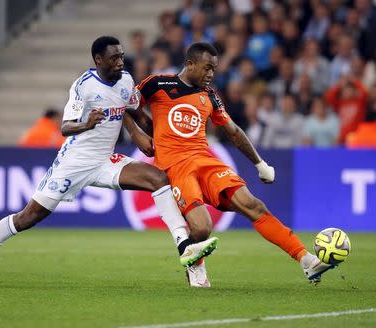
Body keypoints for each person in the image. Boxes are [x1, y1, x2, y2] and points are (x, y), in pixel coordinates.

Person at [0, 36, 218, 285]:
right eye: (114, 58)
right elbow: (65, 128)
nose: (120, 62)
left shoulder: (125, 80)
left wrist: (143, 136)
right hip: (74, 162)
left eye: (121, 56)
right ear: (98, 60)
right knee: (28, 217)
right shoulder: (83, 86)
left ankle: (185, 248)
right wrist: (86, 124)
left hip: (105, 160)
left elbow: (134, 111)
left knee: (159, 179)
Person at [132, 42, 334, 287]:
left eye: (214, 70)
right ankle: (194, 267)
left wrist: (260, 163)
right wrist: (139, 133)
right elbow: (127, 106)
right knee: (203, 227)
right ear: (190, 64)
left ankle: (307, 261)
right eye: (206, 68)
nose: (210, 74)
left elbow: (233, 131)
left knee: (253, 205)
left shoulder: (210, 95)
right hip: (176, 167)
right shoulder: (157, 84)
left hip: (206, 161)